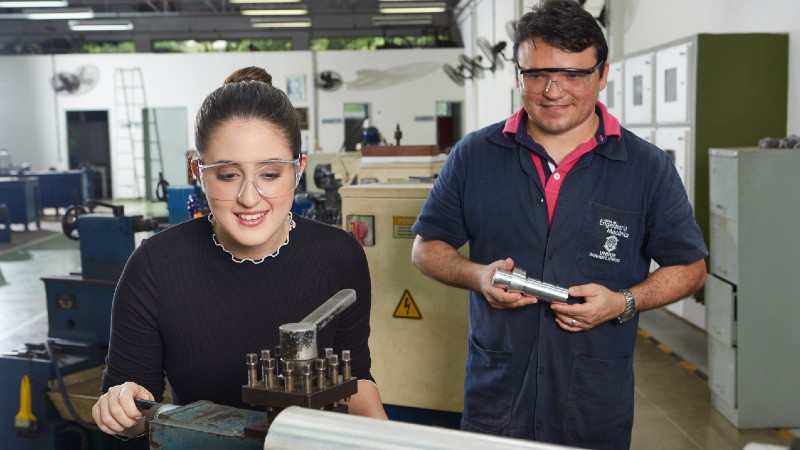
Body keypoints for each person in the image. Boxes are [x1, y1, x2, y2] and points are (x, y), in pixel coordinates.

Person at [410, 1, 707, 449]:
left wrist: (622, 302)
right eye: (536, 75)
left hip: (592, 398)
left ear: (602, 75)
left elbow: (689, 268)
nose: (553, 91)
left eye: (574, 75)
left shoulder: (646, 167)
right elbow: (426, 249)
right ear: (517, 76)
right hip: (499, 394)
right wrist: (479, 276)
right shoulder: (474, 155)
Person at [92, 66, 387, 441]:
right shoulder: (156, 265)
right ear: (197, 172)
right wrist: (120, 407)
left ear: (299, 169)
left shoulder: (339, 256)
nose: (249, 197)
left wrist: (383, 438)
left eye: (270, 174)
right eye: (228, 175)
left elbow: (354, 380)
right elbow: (135, 410)